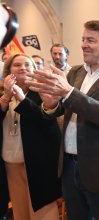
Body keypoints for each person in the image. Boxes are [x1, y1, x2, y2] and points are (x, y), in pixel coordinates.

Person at [27, 20, 99, 220]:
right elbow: (66, 107)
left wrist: (68, 92)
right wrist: (51, 104)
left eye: (91, 40)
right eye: (83, 39)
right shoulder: (76, 71)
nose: (84, 44)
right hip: (69, 166)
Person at [0, 53, 61, 219]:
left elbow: (45, 119)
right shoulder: (2, 94)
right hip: (11, 161)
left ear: (34, 70)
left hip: (39, 161)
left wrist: (21, 97)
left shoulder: (42, 91)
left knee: (43, 209)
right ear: (8, 71)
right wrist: (6, 97)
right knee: (20, 210)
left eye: (27, 65)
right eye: (17, 65)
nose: (23, 68)